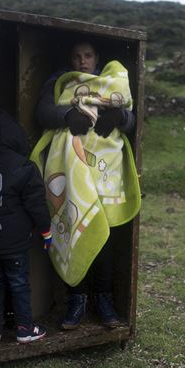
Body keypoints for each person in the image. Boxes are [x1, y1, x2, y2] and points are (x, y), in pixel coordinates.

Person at [34, 41, 139, 330]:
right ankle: (76, 299)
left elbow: (132, 116)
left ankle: (103, 299)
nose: (82, 61)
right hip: (71, 172)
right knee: (72, 231)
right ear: (69, 58)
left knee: (104, 237)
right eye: (76, 55)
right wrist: (68, 115)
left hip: (106, 174)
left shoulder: (110, 82)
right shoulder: (60, 81)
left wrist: (121, 117)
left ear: (97, 57)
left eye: (88, 55)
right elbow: (42, 112)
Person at [0, 109, 53, 344]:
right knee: (19, 283)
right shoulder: (24, 168)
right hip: (15, 243)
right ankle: (25, 328)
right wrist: (46, 231)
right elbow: (37, 205)